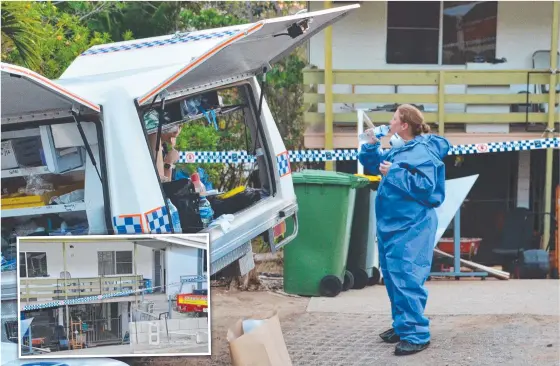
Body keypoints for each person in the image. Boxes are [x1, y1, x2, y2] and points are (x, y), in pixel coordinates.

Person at [358, 104, 450, 356]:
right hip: (392, 224)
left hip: (412, 226)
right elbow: (373, 164)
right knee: (392, 276)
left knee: (406, 276)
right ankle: (402, 325)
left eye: (394, 118)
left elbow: (429, 189)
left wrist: (395, 172)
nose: (390, 122)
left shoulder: (422, 151)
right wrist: (369, 143)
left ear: (404, 125)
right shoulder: (402, 149)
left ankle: (416, 334)